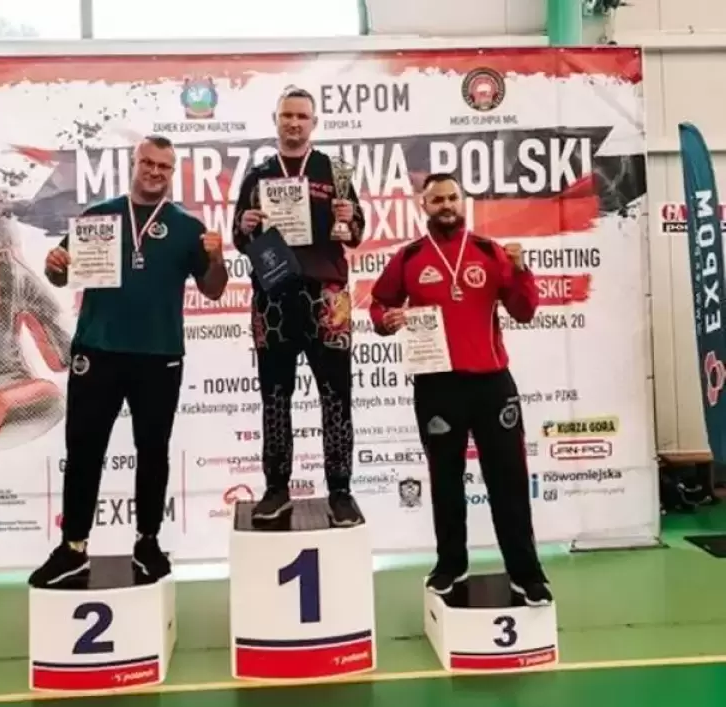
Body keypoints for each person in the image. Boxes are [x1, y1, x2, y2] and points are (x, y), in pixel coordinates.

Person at [28, 135, 228, 588]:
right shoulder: (98, 217)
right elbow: (61, 273)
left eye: (164, 166)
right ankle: (73, 547)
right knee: (84, 450)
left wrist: (216, 257)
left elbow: (214, 288)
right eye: (148, 163)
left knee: (153, 451)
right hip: (98, 351)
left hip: (158, 355)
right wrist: (55, 263)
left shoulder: (187, 227)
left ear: (172, 172)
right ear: (134, 164)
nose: (155, 171)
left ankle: (148, 541)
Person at [368, 173, 552, 607]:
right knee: (445, 480)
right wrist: (386, 321)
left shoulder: (490, 251)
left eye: (452, 197)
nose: (446, 205)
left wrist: (521, 271)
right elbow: (379, 303)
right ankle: (451, 565)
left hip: (492, 384)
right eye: (437, 200)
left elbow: (524, 311)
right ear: (423, 205)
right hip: (437, 385)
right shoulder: (409, 257)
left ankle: (526, 573)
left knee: (508, 479)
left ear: (462, 202)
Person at [233, 87, 365, 526]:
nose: (294, 123)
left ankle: (341, 491)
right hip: (272, 296)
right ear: (276, 120)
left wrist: (348, 218)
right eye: (287, 115)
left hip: (327, 296)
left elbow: (357, 232)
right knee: (274, 396)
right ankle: (276, 489)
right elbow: (238, 237)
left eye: (301, 117)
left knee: (336, 395)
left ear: (314, 123)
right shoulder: (258, 175)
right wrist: (246, 224)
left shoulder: (334, 171)